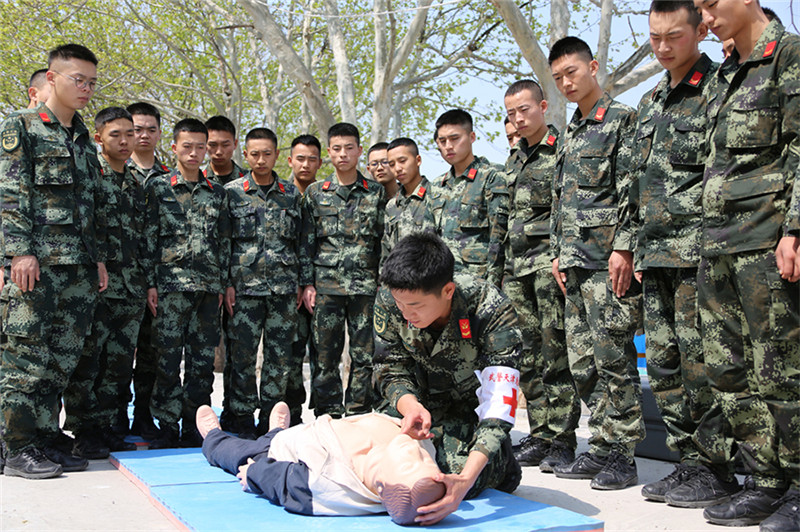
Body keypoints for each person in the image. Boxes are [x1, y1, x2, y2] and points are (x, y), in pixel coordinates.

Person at [692, 1, 800, 529]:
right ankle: (765, 480)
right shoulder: (725, 73)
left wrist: (796, 228)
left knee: (781, 368)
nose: (705, 15)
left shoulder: (790, 55)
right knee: (729, 370)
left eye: (711, 3)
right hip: (716, 246)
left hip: (766, 238)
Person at [630, 1, 739, 508]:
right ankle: (687, 461)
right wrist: (626, 247)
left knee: (703, 365)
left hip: (699, 254)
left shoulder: (720, 87)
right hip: (655, 257)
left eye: (673, 36)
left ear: (699, 31)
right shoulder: (651, 100)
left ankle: (716, 468)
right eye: (654, 37)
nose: (662, 46)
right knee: (666, 364)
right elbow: (636, 184)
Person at [0, 43, 107, 479]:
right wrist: (19, 251)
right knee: (26, 357)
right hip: (37, 263)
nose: (85, 88)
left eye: (91, 82)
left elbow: (91, 205)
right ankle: (16, 446)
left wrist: (97, 258)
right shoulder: (21, 127)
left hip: (78, 266)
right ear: (52, 77)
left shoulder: (82, 137)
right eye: (77, 79)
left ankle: (44, 437)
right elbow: (11, 193)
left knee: (61, 358)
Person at [373, 232, 522, 526]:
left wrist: (465, 480)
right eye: (400, 304)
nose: (405, 314)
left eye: (415, 306)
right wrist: (409, 405)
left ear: (448, 290)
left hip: (466, 409)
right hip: (415, 408)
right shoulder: (394, 297)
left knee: (444, 475)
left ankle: (500, 463)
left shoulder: (490, 309)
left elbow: (499, 402)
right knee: (371, 452)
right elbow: (389, 367)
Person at [548, 36, 644, 490]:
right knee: (583, 362)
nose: (567, 82)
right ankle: (602, 445)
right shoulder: (570, 130)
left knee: (613, 359)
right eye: (558, 77)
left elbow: (632, 190)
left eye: (572, 72)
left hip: (607, 263)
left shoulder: (622, 119)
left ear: (593, 67)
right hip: (573, 263)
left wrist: (624, 247)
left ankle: (623, 456)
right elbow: (560, 199)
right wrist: (555, 252)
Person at [198, 402, 446, 525]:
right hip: (308, 432)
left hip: (281, 453)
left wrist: (254, 473)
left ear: (382, 487)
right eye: (426, 460)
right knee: (280, 435)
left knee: (237, 453)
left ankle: (213, 438)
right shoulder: (414, 442)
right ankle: (274, 430)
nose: (417, 453)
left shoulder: (329, 486)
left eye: (409, 465)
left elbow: (284, 482)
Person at [503, 79, 580, 472]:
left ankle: (562, 439)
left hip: (546, 266)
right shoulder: (514, 157)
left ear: (543, 106)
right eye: (511, 113)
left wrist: (561, 256)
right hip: (517, 269)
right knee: (528, 356)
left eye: (524, 110)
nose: (518, 118)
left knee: (555, 353)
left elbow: (567, 209)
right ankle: (540, 433)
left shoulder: (562, 149)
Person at [143, 118, 230, 449]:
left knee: (202, 360)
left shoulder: (217, 193)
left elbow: (223, 243)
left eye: (200, 147)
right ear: (175, 147)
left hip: (207, 289)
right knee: (166, 358)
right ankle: (166, 423)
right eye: (187, 146)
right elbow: (149, 239)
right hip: (170, 287)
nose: (194, 153)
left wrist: (222, 285)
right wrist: (151, 284)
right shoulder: (159, 188)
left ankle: (196, 423)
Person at [63, 107, 144, 458]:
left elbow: (146, 237)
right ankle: (84, 429)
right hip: (97, 286)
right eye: (116, 134)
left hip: (131, 287)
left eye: (130, 133)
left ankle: (110, 425)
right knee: (88, 362)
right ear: (98, 137)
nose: (125, 141)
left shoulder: (137, 182)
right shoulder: (90, 175)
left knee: (119, 363)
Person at [222, 127, 310, 437]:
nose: (261, 160)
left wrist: (304, 281)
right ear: (245, 155)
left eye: (267, 154)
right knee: (242, 357)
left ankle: (272, 419)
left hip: (283, 290)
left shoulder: (290, 194)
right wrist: (226, 283)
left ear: (276, 155)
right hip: (243, 289)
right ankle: (241, 417)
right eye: (255, 154)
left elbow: (303, 241)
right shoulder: (231, 192)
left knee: (279, 358)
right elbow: (224, 241)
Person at [301, 123, 386, 417]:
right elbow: (307, 243)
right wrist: (307, 283)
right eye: (337, 148)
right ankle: (327, 412)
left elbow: (383, 242)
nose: (343, 154)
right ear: (329, 153)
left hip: (366, 287)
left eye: (350, 148)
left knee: (364, 355)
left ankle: (358, 410)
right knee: (324, 354)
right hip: (326, 287)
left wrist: (383, 283)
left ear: (360, 151)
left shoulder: (376, 193)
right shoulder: (315, 194)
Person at [126, 101, 170, 440]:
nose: (143, 135)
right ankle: (106, 421)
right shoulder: (108, 168)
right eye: (136, 129)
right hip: (117, 279)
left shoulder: (169, 179)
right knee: (114, 354)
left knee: (153, 354)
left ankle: (144, 416)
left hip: (159, 282)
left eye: (150, 129)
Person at [432, 109, 508, 288]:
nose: (448, 146)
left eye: (455, 138)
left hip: (479, 281)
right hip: (444, 283)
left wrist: (493, 285)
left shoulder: (492, 176)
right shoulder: (437, 186)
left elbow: (499, 235)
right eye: (442, 141)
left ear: (472, 137)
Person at [284, 134, 323, 423]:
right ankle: (292, 415)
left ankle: (324, 417)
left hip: (325, 288)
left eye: (312, 159)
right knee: (290, 355)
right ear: (290, 160)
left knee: (324, 357)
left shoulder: (325, 194)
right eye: (300, 158)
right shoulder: (282, 194)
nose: (306, 164)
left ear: (320, 162)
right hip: (287, 289)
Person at [380, 137, 438, 262]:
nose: (398, 168)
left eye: (402, 161)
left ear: (418, 160)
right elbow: (386, 251)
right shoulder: (392, 206)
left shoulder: (436, 196)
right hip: (399, 279)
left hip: (431, 277)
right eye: (392, 164)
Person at [204, 115, 246, 185]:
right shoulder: (195, 180)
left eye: (225, 145)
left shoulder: (249, 179)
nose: (219, 152)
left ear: (235, 144)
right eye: (213, 145)